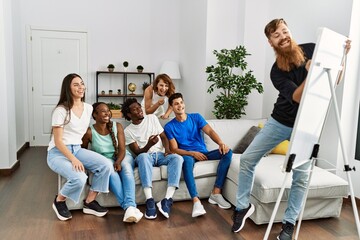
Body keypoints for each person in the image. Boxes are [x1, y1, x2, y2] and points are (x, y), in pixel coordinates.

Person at [231, 18, 351, 240]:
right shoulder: (276, 71)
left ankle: (288, 224)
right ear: (271, 43)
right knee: (247, 159)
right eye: (277, 35)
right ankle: (242, 207)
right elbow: (297, 97)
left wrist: (342, 56)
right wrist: (313, 71)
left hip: (308, 125)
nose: (283, 36)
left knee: (301, 177)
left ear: (290, 32)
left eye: (284, 31)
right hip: (279, 122)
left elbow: (334, 80)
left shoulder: (312, 49)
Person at [47, 73, 112, 221]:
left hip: (77, 149)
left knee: (106, 165)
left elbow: (81, 132)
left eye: (82, 84)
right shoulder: (61, 110)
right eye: (76, 84)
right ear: (68, 88)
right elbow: (58, 141)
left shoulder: (88, 108)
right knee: (80, 177)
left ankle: (89, 201)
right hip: (57, 152)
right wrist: (73, 160)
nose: (81, 87)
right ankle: (59, 201)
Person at [164, 92, 233, 218]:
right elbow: (174, 149)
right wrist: (192, 153)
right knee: (187, 163)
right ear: (172, 107)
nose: (180, 106)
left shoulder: (196, 117)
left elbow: (210, 131)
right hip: (188, 154)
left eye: (181, 102)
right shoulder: (169, 126)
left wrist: (221, 143)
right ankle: (196, 202)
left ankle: (216, 193)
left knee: (228, 152)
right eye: (176, 104)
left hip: (204, 152)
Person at [121, 98, 183, 219]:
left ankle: (167, 199)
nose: (140, 110)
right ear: (129, 114)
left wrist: (167, 150)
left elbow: (164, 137)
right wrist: (149, 144)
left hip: (160, 155)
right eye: (135, 109)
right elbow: (137, 152)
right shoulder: (127, 131)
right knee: (143, 156)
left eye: (139, 107)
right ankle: (149, 200)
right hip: (145, 156)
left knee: (177, 158)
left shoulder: (152, 118)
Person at [81, 102, 143, 223]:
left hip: (122, 156)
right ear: (94, 115)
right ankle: (129, 208)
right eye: (103, 111)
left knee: (127, 169)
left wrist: (119, 162)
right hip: (105, 160)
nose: (107, 113)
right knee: (111, 171)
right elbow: (83, 152)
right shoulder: (89, 132)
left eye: (108, 111)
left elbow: (122, 149)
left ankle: (129, 205)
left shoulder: (117, 126)